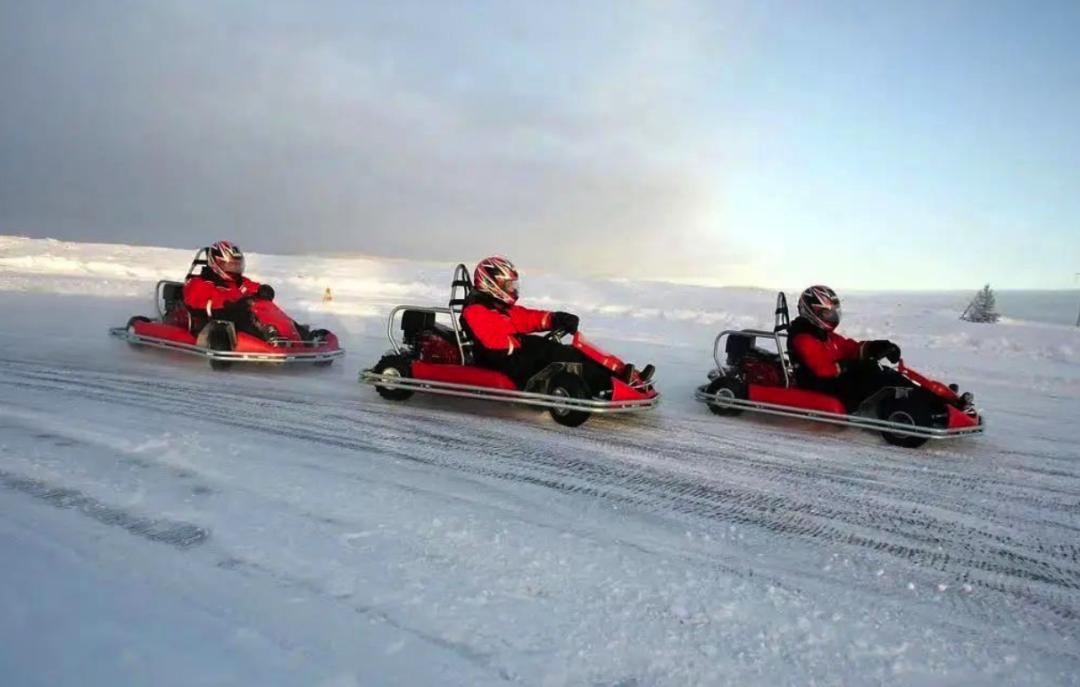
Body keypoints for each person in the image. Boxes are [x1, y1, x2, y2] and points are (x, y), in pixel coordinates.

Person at [461, 256, 654, 390]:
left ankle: (625, 373)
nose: (512, 289)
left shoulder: (497, 306)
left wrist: (555, 318)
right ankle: (609, 384)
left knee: (571, 351)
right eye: (508, 285)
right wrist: (533, 345)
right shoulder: (475, 310)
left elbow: (524, 318)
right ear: (491, 283)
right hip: (503, 361)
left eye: (512, 285)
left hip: (516, 352)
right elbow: (496, 341)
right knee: (562, 358)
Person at [787, 285, 909, 410]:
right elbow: (822, 370)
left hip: (834, 381)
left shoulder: (824, 335)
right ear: (812, 312)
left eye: (833, 312)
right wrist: (851, 365)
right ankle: (900, 410)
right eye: (827, 313)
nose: (832, 317)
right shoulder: (803, 339)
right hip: (820, 386)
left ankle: (918, 399)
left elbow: (849, 348)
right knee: (871, 373)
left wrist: (876, 347)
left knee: (883, 372)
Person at [182, 241, 277, 340]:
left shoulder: (239, 282)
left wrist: (263, 290)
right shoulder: (200, 283)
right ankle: (266, 338)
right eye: (230, 265)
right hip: (213, 323)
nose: (234, 269)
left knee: (265, 307)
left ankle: (286, 332)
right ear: (216, 263)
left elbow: (252, 287)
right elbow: (196, 304)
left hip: (238, 317)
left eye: (236, 265)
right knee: (241, 314)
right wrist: (228, 305)